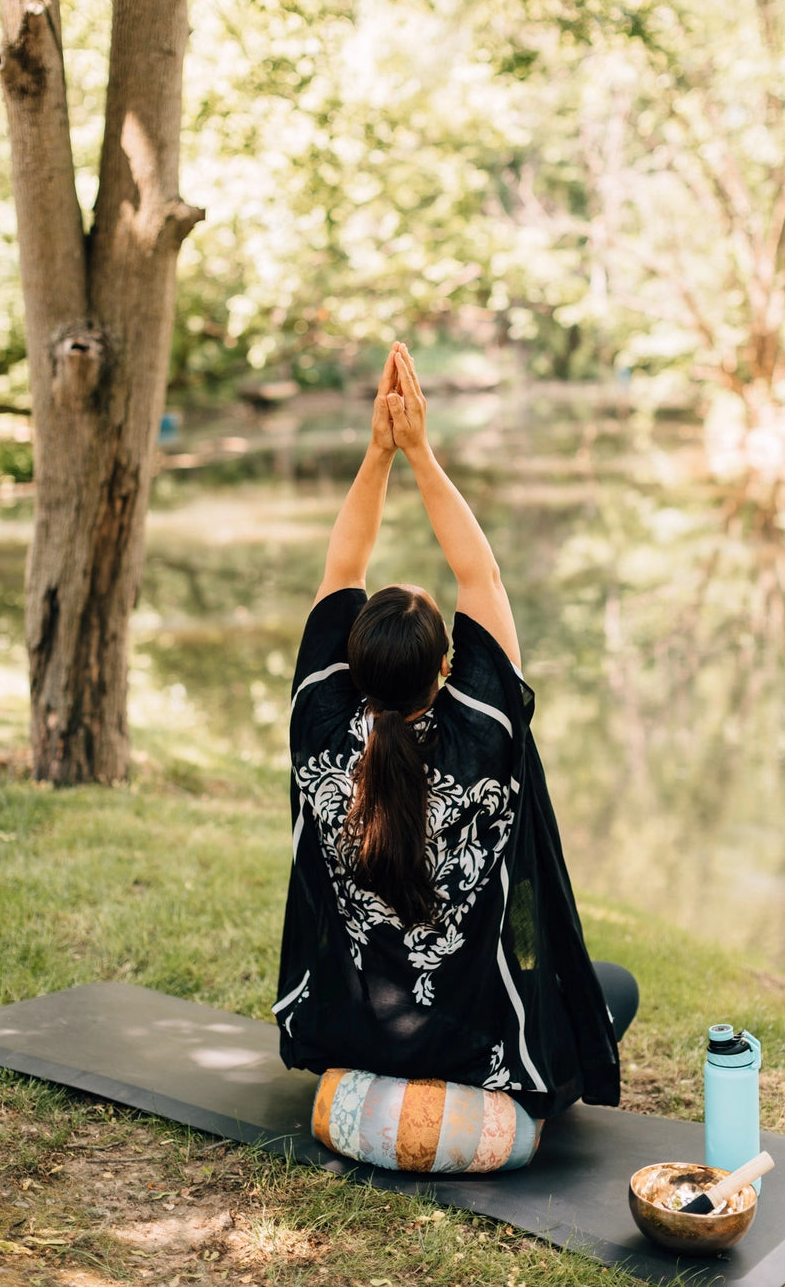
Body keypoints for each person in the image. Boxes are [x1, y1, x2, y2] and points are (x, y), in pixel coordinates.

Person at [274, 343, 637, 1120]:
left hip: (348, 1037)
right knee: (613, 989)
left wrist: (379, 455)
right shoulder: (482, 731)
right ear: (446, 672)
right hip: (479, 1055)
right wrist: (420, 453)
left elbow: (343, 565)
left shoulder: (320, 728)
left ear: (349, 666)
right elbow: (484, 578)